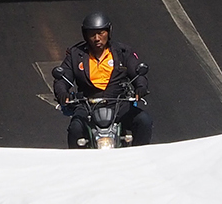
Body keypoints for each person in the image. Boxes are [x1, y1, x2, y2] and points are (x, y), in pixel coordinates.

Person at [52, 12, 152, 148]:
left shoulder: (123, 52)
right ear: (85, 35)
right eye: (92, 34)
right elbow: (62, 78)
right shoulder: (75, 54)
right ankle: (76, 165)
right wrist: (62, 93)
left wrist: (140, 87)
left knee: (143, 120)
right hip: (87, 105)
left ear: (109, 32)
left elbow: (138, 72)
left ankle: (140, 158)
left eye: (101, 33)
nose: (97, 38)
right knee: (74, 129)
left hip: (117, 103)